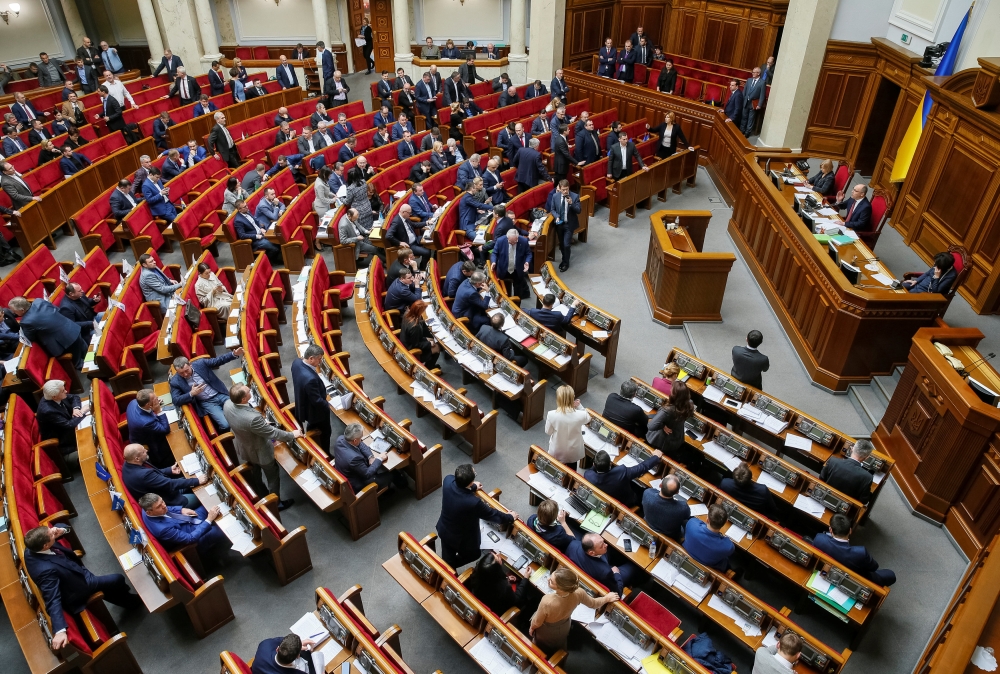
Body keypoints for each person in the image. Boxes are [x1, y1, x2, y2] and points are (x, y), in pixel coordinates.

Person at [23, 525, 140, 651]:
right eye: (51, 534)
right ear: (45, 546)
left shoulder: (32, 548)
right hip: (80, 585)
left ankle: (131, 602)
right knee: (117, 579)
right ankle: (131, 600)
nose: (53, 531)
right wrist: (60, 630)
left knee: (109, 587)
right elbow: (52, 599)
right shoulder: (45, 571)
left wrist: (61, 531)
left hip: (74, 571)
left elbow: (61, 529)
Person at [224, 384, 302, 510]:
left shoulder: (228, 404)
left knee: (255, 472)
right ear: (243, 399)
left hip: (244, 447)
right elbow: (274, 433)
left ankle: (261, 494)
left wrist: (261, 424)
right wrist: (292, 434)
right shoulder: (253, 419)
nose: (250, 390)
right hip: (260, 451)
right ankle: (275, 503)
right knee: (272, 476)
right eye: (248, 391)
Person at [436, 463, 516, 568]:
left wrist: (473, 487)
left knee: (447, 559)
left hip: (444, 529)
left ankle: (448, 568)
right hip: (460, 538)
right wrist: (510, 517)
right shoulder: (473, 502)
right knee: (474, 554)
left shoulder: (447, 481)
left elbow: (458, 487)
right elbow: (492, 514)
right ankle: (450, 568)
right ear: (470, 482)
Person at [529, 566, 617, 655]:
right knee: (559, 644)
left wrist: (532, 628)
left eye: (551, 581)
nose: (548, 579)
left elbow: (537, 622)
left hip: (546, 631)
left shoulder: (547, 601)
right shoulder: (579, 592)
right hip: (564, 626)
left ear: (560, 588)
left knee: (539, 647)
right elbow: (594, 604)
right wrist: (606, 598)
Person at [811, 513, 896, 586]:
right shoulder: (860, 552)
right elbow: (874, 567)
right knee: (890, 574)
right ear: (850, 531)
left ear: (830, 530)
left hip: (824, 571)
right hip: (856, 579)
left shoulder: (819, 539)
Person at [170, 349, 242, 432]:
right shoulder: (175, 381)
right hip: (207, 402)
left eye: (187, 371)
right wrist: (191, 393)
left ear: (190, 365)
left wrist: (233, 354)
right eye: (181, 373)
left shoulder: (200, 364)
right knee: (225, 425)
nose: (185, 374)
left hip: (219, 393)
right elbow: (175, 400)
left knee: (241, 407)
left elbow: (218, 361)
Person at [139, 493, 228, 557]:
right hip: (195, 537)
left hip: (186, 520)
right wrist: (209, 520)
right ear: (149, 512)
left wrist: (180, 510)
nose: (164, 506)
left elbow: (167, 508)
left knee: (211, 504)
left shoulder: (147, 508)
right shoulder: (162, 530)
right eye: (159, 506)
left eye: (162, 501)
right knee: (224, 528)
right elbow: (190, 538)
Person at [8, 296, 87, 368]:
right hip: (72, 328)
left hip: (65, 342)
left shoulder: (26, 321)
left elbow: (30, 338)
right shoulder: (39, 301)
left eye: (14, 311)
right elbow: (56, 309)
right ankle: (94, 362)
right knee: (86, 351)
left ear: (22, 310)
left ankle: (92, 373)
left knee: (79, 363)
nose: (13, 313)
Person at [122, 443, 202, 509]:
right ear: (137, 459)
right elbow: (171, 484)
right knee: (201, 497)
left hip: (167, 490)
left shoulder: (128, 463)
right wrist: (197, 480)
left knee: (191, 477)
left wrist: (169, 470)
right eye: (143, 452)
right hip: (170, 500)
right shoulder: (143, 475)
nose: (146, 451)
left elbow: (153, 474)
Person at [333, 422, 406, 493]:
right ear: (355, 440)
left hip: (351, 472)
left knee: (377, 466)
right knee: (393, 473)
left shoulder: (341, 439)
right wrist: (379, 458)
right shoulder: (354, 459)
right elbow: (367, 474)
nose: (361, 439)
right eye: (360, 437)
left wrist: (370, 457)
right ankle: (403, 487)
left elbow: (360, 444)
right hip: (360, 483)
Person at [646, 380, 700, 469]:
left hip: (662, 441)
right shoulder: (689, 404)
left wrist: (662, 426)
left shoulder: (668, 410)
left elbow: (651, 426)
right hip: (677, 436)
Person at [586, 448, 662, 507]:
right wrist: (655, 457)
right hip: (627, 502)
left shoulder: (588, 475)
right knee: (642, 490)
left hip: (607, 500)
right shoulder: (621, 472)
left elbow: (590, 470)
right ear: (610, 463)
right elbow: (641, 467)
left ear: (593, 464)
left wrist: (597, 465)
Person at [567, 533, 639, 595]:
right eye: (602, 546)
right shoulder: (606, 572)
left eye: (603, 542)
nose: (606, 545)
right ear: (592, 553)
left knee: (611, 550)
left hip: (587, 566)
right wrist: (616, 573)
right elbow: (618, 592)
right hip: (604, 575)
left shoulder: (573, 545)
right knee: (633, 566)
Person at [35, 380, 89, 459]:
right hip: (62, 438)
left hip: (66, 424)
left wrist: (76, 408)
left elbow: (75, 397)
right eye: (63, 391)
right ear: (54, 397)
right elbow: (69, 425)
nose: (66, 391)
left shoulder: (55, 396)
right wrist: (83, 411)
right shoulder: (48, 411)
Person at [465, 551, 529, 616]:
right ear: (497, 569)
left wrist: (507, 578)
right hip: (496, 611)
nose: (498, 554)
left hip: (481, 602)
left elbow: (491, 578)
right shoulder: (504, 588)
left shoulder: (478, 572)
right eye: (497, 558)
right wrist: (525, 578)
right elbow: (516, 599)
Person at [125, 388, 173, 467]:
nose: (157, 399)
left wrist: (152, 407)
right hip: (146, 441)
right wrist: (158, 410)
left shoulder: (133, 402)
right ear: (148, 404)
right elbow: (165, 429)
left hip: (140, 431)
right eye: (155, 399)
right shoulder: (145, 422)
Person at [545, 385, 589, 469]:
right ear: (572, 398)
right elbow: (588, 418)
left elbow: (548, 432)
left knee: (556, 469)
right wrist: (579, 406)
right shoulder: (581, 414)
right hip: (574, 451)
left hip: (557, 449)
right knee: (572, 471)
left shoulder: (551, 414)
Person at [819, 439, 875, 506]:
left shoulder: (833, 461)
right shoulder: (868, 477)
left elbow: (821, 479)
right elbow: (863, 501)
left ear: (852, 449)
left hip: (823, 497)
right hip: (846, 506)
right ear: (867, 458)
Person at [684, 504, 734, 571]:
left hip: (688, 554)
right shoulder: (728, 546)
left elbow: (696, 521)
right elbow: (729, 545)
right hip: (711, 566)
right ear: (725, 522)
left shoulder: (691, 523)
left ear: (707, 520)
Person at [545, 179, 582, 272]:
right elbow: (552, 209)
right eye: (563, 189)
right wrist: (556, 216)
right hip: (559, 224)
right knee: (561, 244)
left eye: (567, 189)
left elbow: (579, 210)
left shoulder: (575, 196)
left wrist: (571, 203)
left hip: (569, 224)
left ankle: (566, 263)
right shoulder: (555, 196)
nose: (565, 191)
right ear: (560, 189)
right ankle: (564, 259)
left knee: (566, 244)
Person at [234, 198, 283, 265]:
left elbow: (256, 222)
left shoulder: (247, 211)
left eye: (246, 205)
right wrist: (256, 236)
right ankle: (263, 263)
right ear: (239, 209)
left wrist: (261, 228)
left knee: (277, 239)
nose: (247, 207)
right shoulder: (238, 221)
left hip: (261, 233)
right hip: (254, 240)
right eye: (244, 207)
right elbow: (242, 235)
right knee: (274, 248)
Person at [643, 475, 690, 541]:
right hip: (670, 536)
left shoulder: (647, 493)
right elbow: (687, 515)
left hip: (649, 524)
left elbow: (653, 491)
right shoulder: (682, 507)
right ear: (677, 492)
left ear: (660, 485)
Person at [252, 633, 323, 674]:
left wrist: (296, 646)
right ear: (298, 656)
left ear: (277, 649)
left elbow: (282, 640)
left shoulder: (266, 644)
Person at [400, 300, 440, 368]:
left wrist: (428, 340)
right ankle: (430, 367)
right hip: (411, 348)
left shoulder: (407, 313)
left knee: (431, 339)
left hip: (407, 341)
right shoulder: (415, 327)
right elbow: (415, 344)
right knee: (437, 348)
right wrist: (429, 343)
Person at [741, 67, 766, 137]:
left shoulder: (762, 82)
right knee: (744, 117)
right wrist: (743, 99)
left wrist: (759, 105)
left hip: (753, 103)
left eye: (754, 72)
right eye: (753, 72)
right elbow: (744, 91)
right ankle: (742, 130)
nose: (753, 73)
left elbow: (762, 95)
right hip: (746, 101)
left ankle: (747, 133)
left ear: (758, 73)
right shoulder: (749, 80)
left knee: (750, 119)